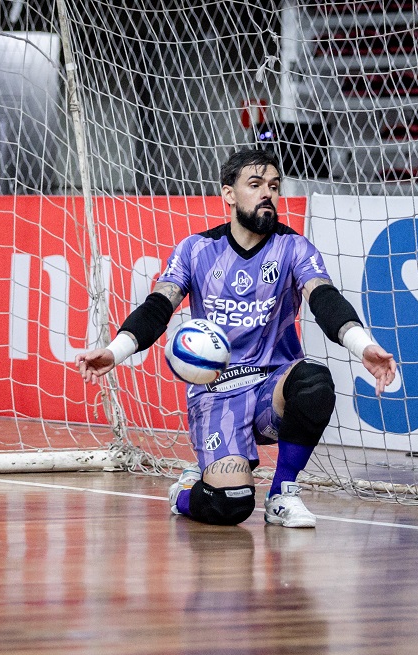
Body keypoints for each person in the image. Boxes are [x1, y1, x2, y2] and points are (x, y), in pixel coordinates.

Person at [77, 148, 397, 529]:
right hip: (217, 394)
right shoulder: (196, 250)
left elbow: (325, 298)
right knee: (230, 505)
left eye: (274, 186)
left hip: (270, 390)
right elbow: (158, 307)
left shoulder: (293, 248)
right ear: (229, 194)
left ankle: (283, 494)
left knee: (314, 380)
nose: (268, 193)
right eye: (256, 184)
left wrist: (363, 345)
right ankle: (185, 491)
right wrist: (116, 351)